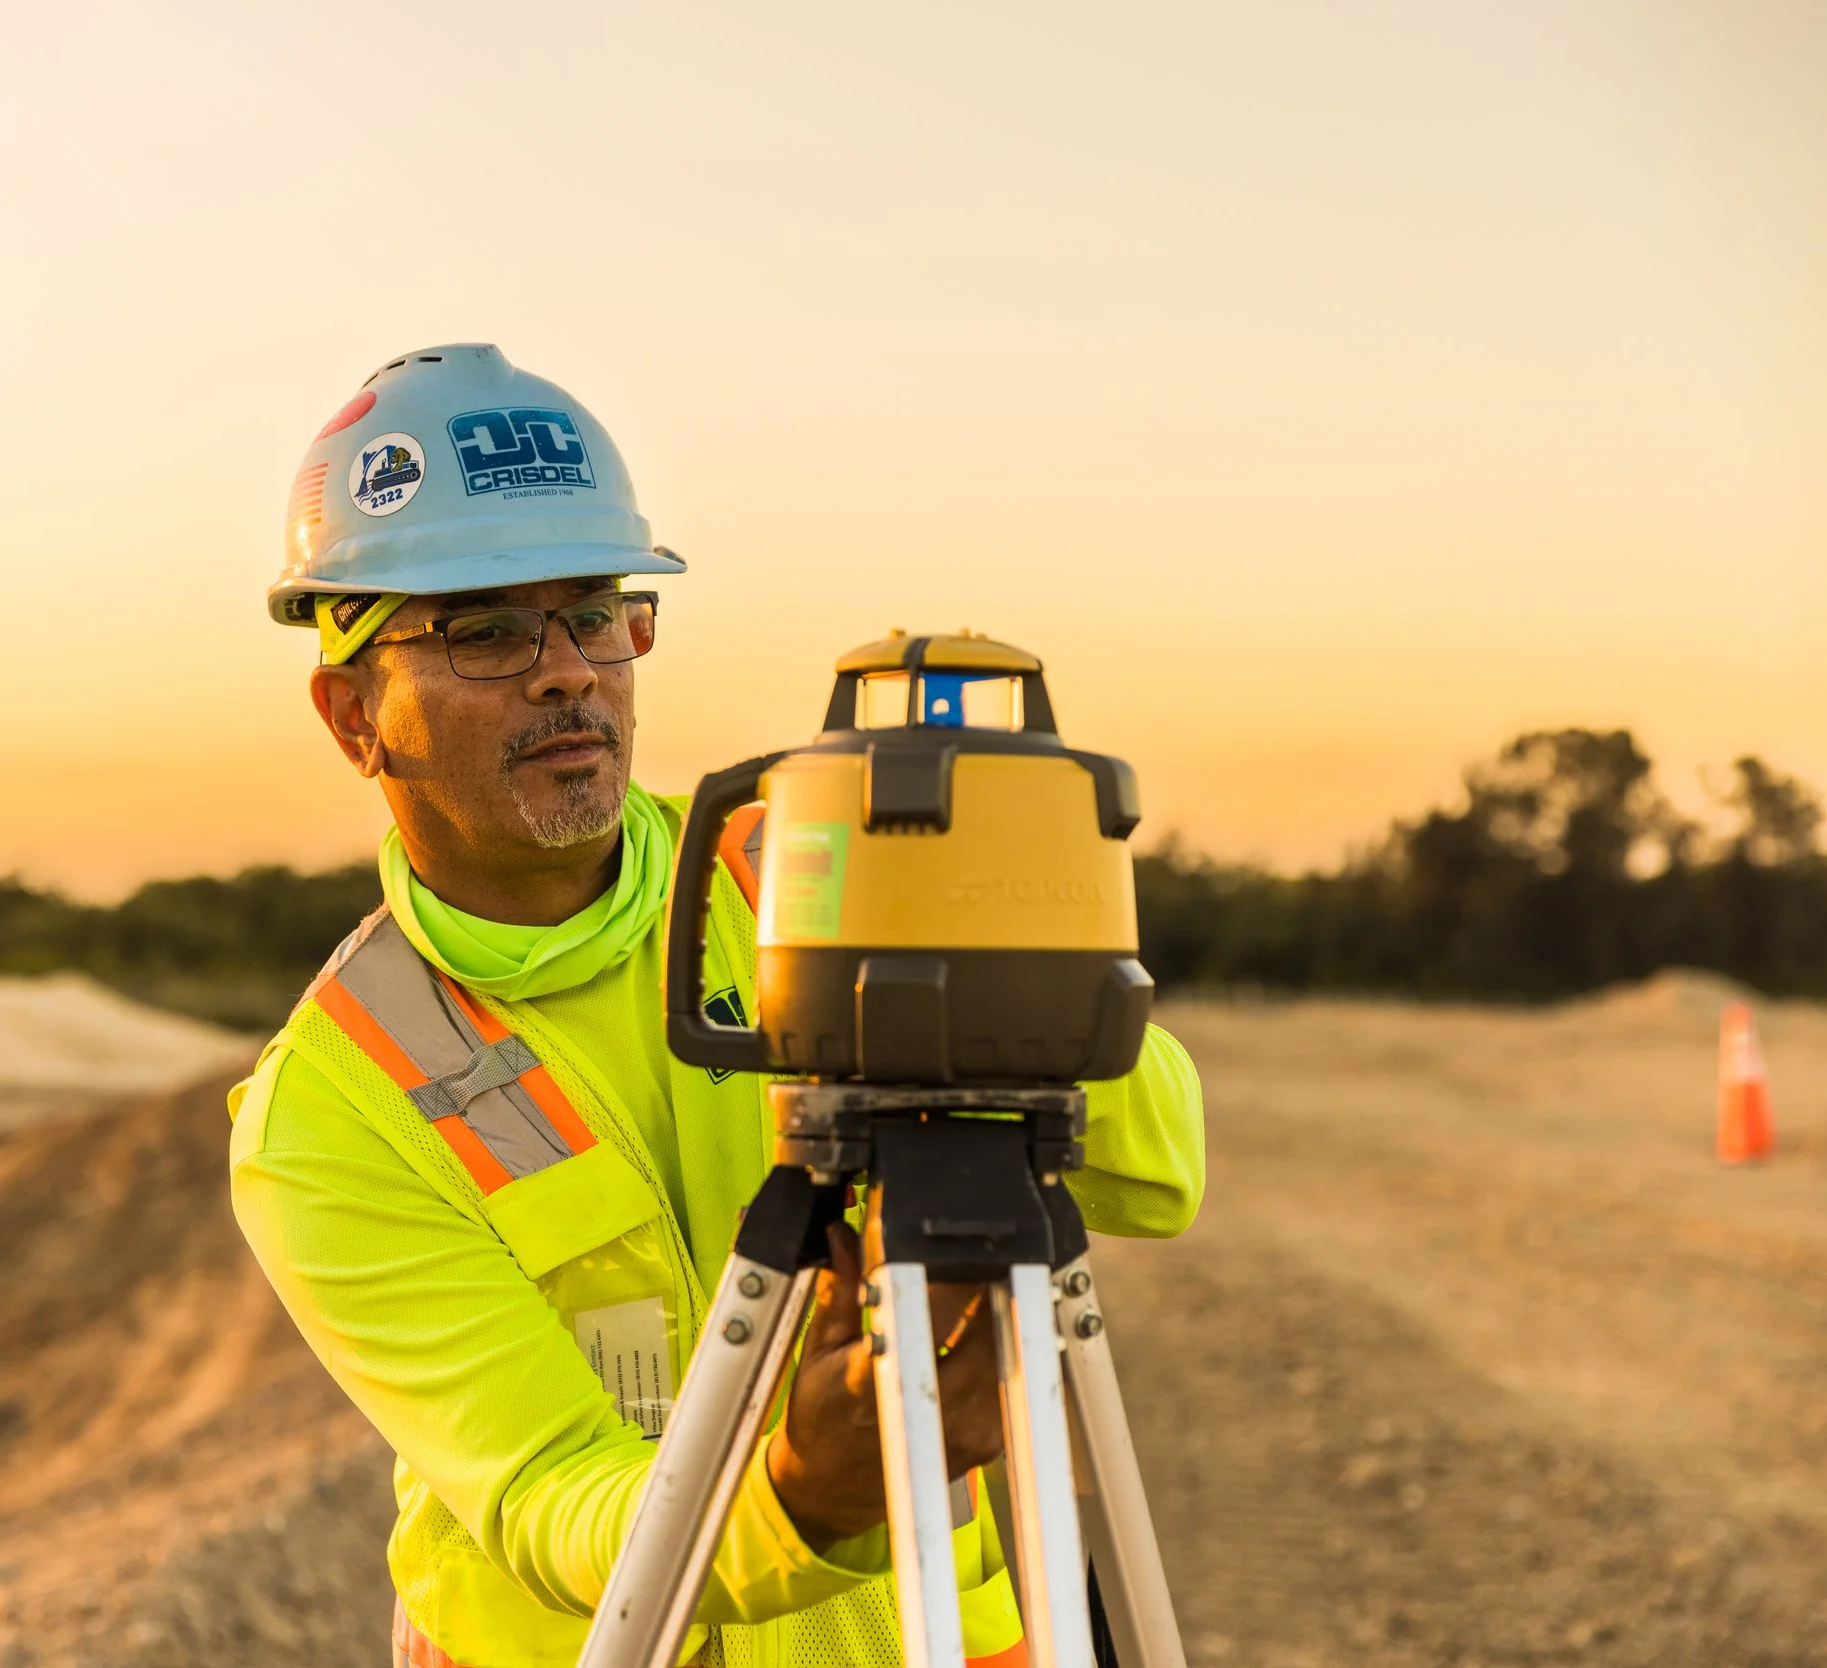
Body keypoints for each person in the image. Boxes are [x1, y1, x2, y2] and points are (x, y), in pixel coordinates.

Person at [228, 344, 1204, 1668]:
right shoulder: (329, 1109)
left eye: (594, 614)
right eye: (486, 630)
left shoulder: (806, 873)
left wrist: (1019, 942)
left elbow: (1162, 1178)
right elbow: (546, 1492)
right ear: (353, 715)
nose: (568, 672)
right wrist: (799, 1494)